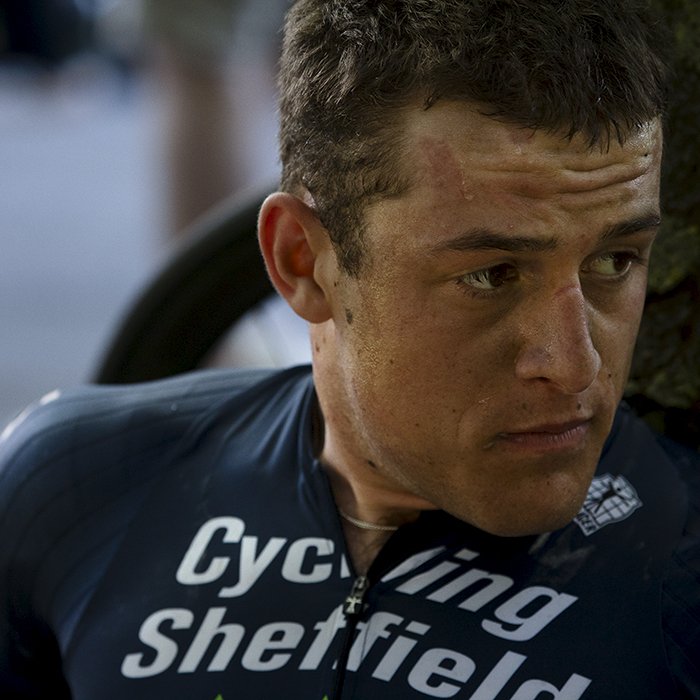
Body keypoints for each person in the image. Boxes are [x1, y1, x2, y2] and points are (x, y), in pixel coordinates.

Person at [1, 1, 698, 698]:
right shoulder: (71, 490)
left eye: (615, 261)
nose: (575, 366)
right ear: (303, 262)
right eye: (491, 276)